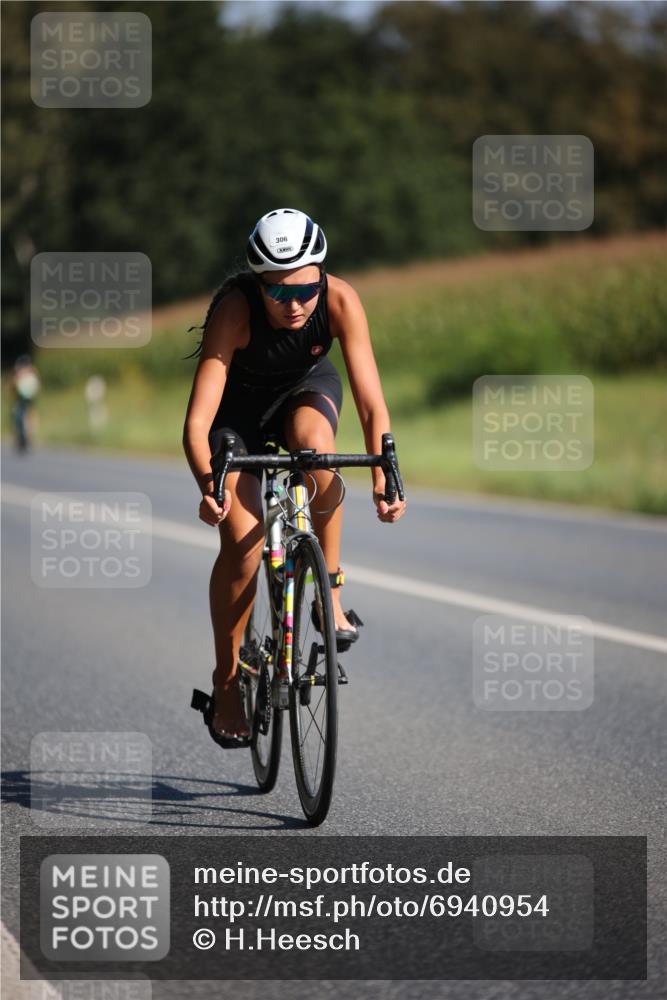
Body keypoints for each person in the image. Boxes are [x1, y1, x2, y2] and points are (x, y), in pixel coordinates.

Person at [182, 208, 406, 741]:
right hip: (237, 414)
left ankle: (327, 593)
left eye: (306, 289)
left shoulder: (340, 300)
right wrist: (206, 486)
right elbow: (195, 424)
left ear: (321, 275)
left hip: (305, 390)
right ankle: (229, 680)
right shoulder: (234, 313)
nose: (296, 304)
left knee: (318, 450)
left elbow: (374, 408)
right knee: (242, 540)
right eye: (279, 294)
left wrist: (384, 475)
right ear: (259, 286)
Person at [11, 355, 40, 453]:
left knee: (26, 417)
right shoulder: (24, 373)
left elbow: (36, 385)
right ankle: (21, 438)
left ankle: (26, 438)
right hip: (21, 399)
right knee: (19, 417)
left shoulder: (30, 373)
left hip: (27, 399)